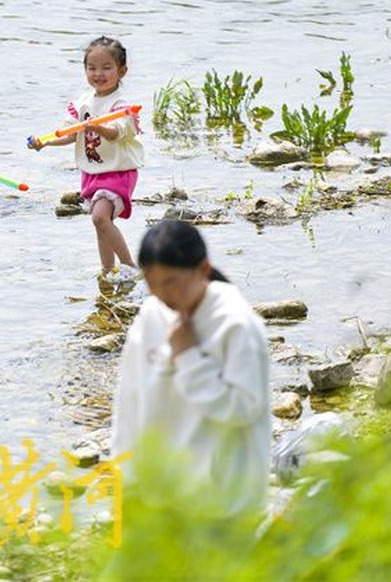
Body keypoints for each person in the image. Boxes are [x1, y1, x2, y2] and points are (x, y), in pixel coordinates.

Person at [110, 220, 271, 514]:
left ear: (203, 270)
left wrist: (188, 357)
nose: (163, 294)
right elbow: (129, 402)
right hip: (160, 497)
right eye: (152, 284)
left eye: (172, 282)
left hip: (225, 505)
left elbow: (244, 408)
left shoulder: (236, 324)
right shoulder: (151, 314)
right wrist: (125, 479)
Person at [28, 36, 144, 280]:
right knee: (101, 224)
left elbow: (117, 133)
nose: (98, 74)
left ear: (122, 71)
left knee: (100, 217)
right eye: (92, 68)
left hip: (118, 171)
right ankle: (107, 270)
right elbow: (70, 134)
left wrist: (99, 127)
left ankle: (129, 266)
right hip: (92, 173)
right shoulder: (83, 103)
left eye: (106, 68)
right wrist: (45, 142)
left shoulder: (120, 105)